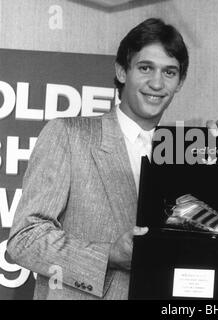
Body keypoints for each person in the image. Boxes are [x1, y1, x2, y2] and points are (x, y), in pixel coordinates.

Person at [7, 18, 190, 300]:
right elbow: (24, 239)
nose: (157, 82)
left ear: (179, 83)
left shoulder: (189, 154)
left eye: (169, 72)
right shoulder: (68, 135)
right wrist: (107, 256)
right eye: (145, 68)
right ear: (121, 71)